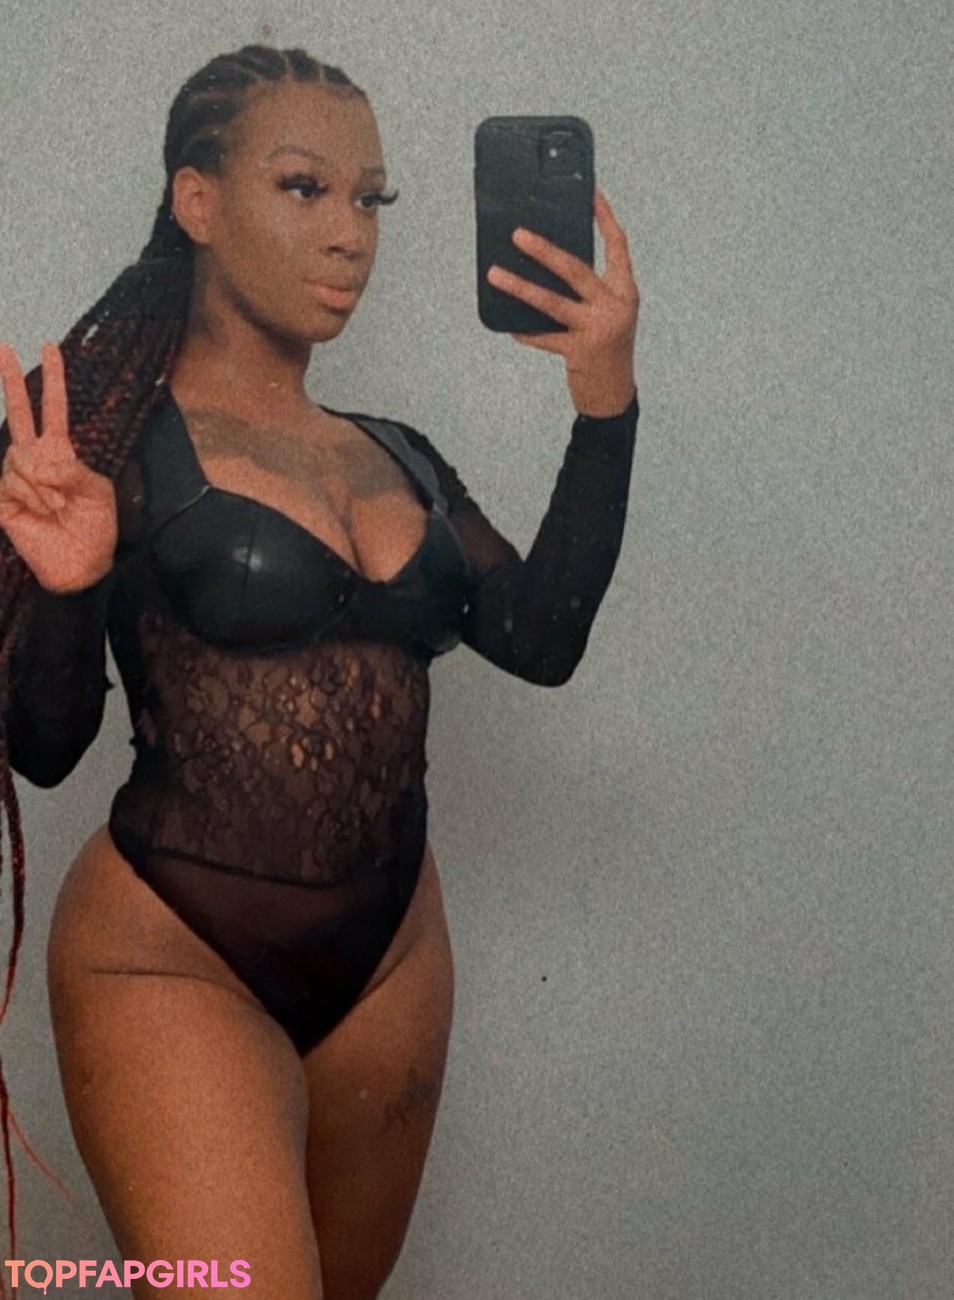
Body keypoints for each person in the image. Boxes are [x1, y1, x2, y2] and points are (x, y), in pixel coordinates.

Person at [0, 44, 638, 1300]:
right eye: (304, 187)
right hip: (171, 955)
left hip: (392, 964)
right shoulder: (108, 441)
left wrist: (605, 409)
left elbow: (543, 638)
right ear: (197, 200)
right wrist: (69, 586)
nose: (351, 233)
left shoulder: (399, 454)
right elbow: (47, 747)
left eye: (371, 199)